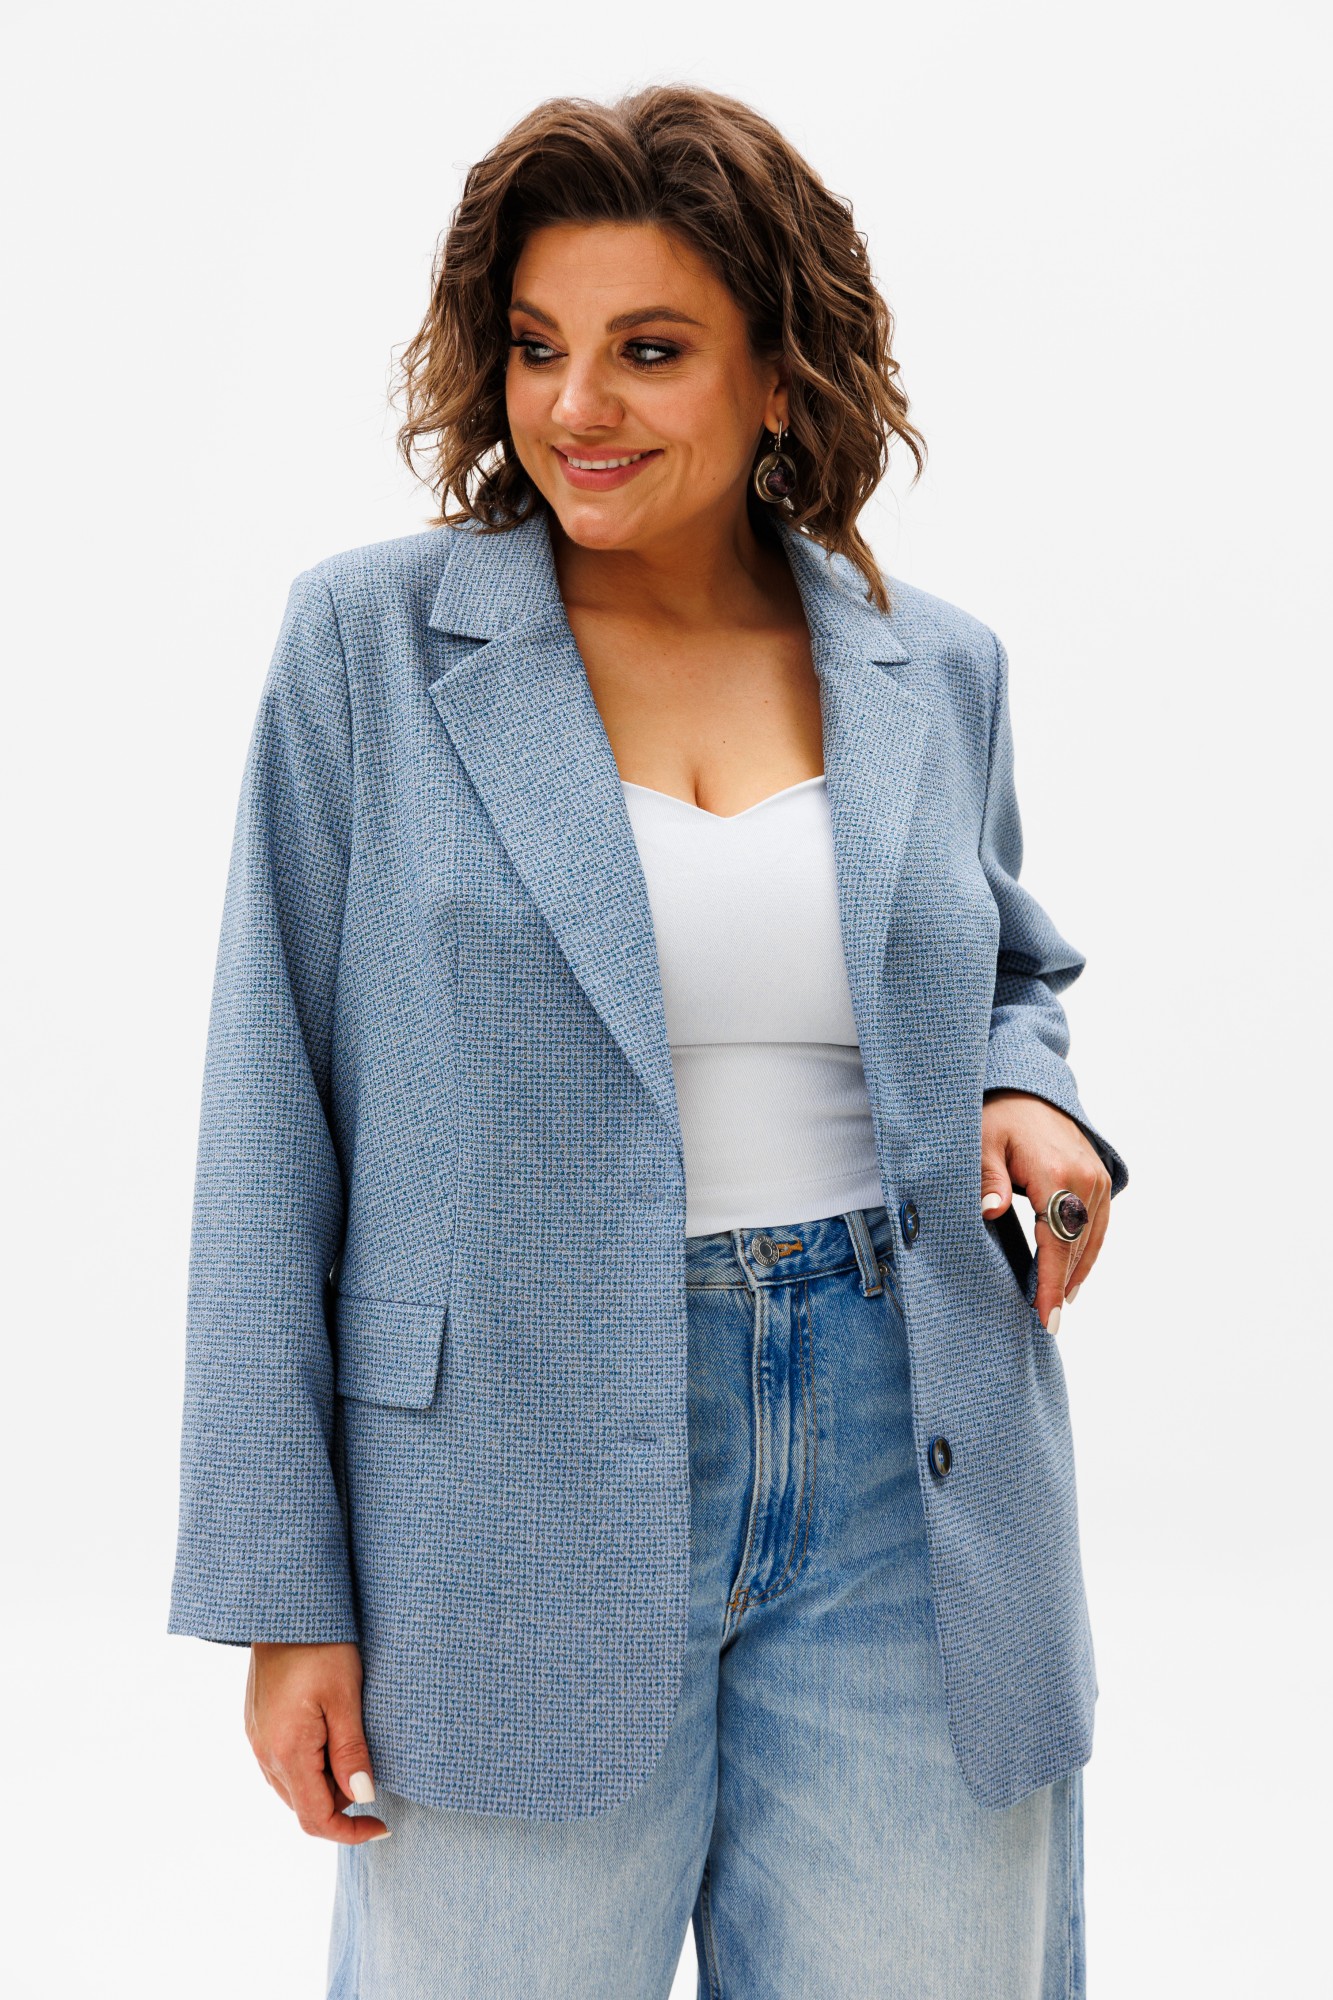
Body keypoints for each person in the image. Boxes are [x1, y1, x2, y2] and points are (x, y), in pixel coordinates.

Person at [168, 82, 1128, 2000]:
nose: (575, 406)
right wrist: (283, 1595)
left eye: (650, 350)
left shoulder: (928, 662)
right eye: (537, 347)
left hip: (908, 1459)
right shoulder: (369, 647)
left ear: (779, 375)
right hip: (498, 1490)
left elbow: (1000, 962)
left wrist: (1030, 1091)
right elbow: (268, 1118)